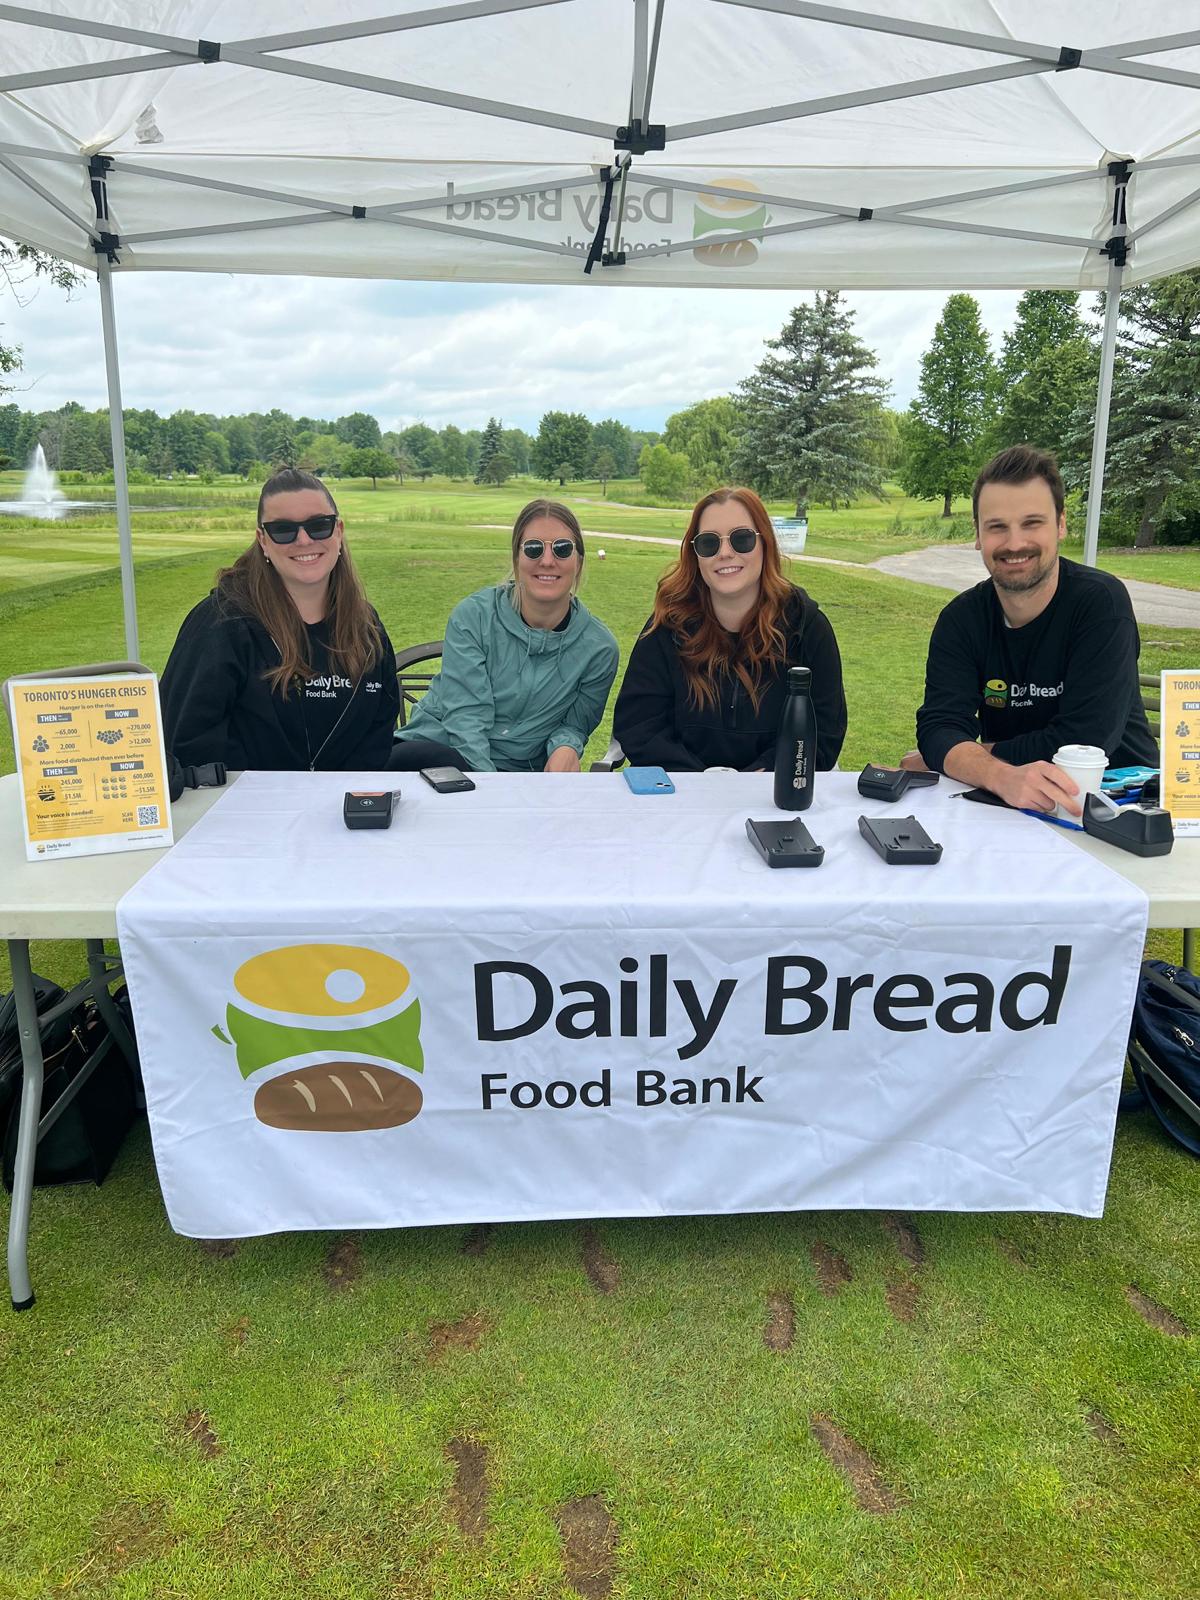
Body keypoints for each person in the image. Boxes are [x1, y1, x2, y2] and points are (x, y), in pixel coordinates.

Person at [907, 444, 1158, 812]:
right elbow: (939, 729)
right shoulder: (960, 619)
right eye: (997, 527)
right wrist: (996, 774)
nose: (1015, 543)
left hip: (1119, 807)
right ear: (977, 534)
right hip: (1014, 807)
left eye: (1032, 523)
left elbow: (1085, 740)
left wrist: (972, 758)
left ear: (1060, 525)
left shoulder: (1100, 603)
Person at [161, 467, 399, 771]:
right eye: (283, 530)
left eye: (319, 526)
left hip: (343, 810)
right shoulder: (220, 623)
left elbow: (377, 738)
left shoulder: (367, 627)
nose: (303, 541)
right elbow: (186, 744)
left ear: (338, 531)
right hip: (241, 810)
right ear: (263, 540)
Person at [612, 486, 846, 771]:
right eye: (709, 543)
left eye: (742, 539)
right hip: (682, 795)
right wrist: (703, 782)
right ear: (695, 555)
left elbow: (823, 734)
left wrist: (757, 778)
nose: (724, 553)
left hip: (773, 795)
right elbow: (638, 725)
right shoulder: (667, 627)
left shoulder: (807, 627)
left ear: (765, 544)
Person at [389, 500, 618, 772]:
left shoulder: (600, 649)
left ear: (578, 561)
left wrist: (566, 746)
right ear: (516, 558)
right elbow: (466, 718)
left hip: (521, 773)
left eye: (562, 549)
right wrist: (492, 791)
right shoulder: (473, 616)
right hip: (440, 750)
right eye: (533, 549)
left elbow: (575, 724)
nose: (547, 561)